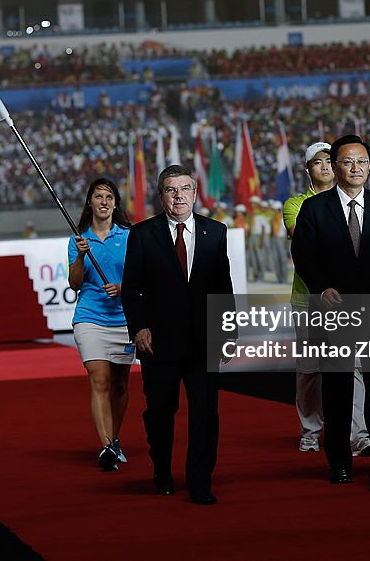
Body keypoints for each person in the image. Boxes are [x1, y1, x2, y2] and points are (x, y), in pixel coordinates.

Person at [290, 134, 370, 494]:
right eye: (347, 162)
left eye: (362, 162)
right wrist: (321, 286)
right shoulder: (315, 208)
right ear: (334, 166)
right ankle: (339, 462)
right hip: (333, 311)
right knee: (338, 389)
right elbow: (304, 255)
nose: (356, 169)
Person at [121, 164, 234, 505]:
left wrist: (227, 331)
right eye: (172, 190)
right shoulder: (142, 234)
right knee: (159, 412)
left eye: (185, 188)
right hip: (158, 343)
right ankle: (162, 471)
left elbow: (222, 287)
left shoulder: (215, 232)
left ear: (195, 193)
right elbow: (131, 289)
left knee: (204, 414)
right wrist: (138, 327)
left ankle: (200, 482)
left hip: (203, 342)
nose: (179, 195)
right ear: (161, 196)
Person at [283, 142, 369, 456]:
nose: (325, 167)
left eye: (329, 161)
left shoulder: (354, 201)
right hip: (308, 300)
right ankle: (311, 430)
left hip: (348, 301)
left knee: (353, 366)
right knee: (310, 370)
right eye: (317, 162)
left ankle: (356, 433)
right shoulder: (295, 204)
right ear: (308, 168)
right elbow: (307, 242)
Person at [68, 178, 134, 471]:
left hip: (124, 318)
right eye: (98, 196)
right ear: (90, 203)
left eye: (109, 197)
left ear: (116, 204)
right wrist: (81, 254)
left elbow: (142, 279)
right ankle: (106, 444)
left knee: (120, 384)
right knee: (100, 380)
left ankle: (115, 439)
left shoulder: (130, 237)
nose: (104, 201)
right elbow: (74, 284)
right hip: (90, 317)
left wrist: (123, 288)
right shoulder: (77, 240)